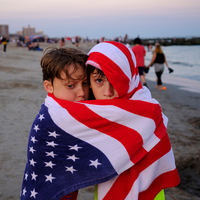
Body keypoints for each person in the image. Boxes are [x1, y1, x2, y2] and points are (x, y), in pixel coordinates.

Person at [86, 41, 180, 200]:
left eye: (116, 80)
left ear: (129, 78)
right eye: (99, 80)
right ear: (88, 82)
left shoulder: (150, 114)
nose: (108, 92)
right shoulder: (85, 116)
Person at [20, 47, 90, 200]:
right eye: (70, 85)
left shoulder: (77, 111)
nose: (82, 92)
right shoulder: (51, 120)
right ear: (49, 86)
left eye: (85, 83)